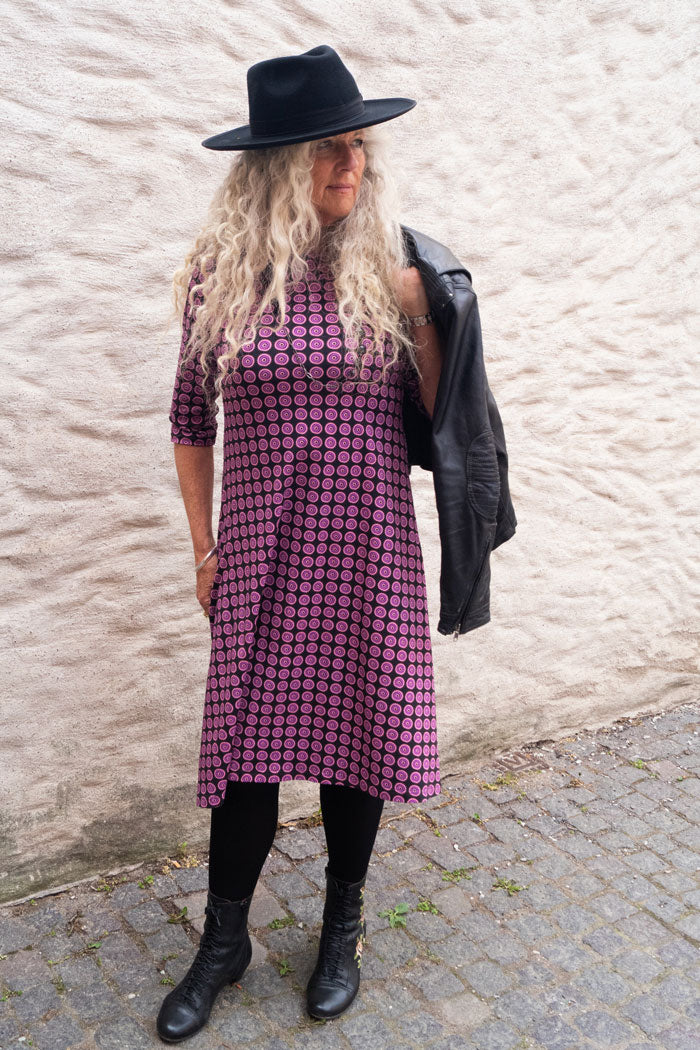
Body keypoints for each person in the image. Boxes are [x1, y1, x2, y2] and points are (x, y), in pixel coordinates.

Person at [157, 44, 445, 1044]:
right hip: (261, 548)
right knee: (246, 750)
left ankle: (340, 931)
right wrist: (203, 548)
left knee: (356, 741)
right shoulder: (220, 282)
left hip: (368, 545)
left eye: (359, 147)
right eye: (331, 149)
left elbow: (443, 424)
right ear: (279, 166)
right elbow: (189, 422)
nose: (351, 165)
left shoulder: (394, 274)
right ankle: (223, 942)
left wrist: (426, 310)